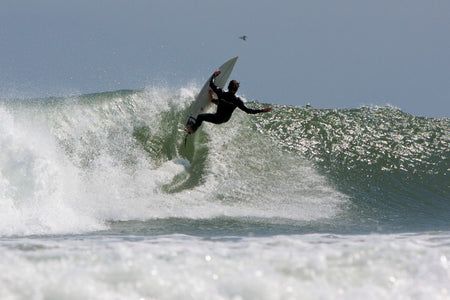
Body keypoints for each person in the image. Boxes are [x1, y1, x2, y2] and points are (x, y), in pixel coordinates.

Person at [186, 70, 272, 133]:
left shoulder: (221, 93)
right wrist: (262, 110)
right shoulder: (237, 100)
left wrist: (214, 75)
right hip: (225, 119)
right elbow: (248, 111)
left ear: (228, 87)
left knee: (200, 117)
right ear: (236, 90)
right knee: (224, 103)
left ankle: (193, 129)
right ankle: (213, 100)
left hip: (217, 117)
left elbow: (211, 84)